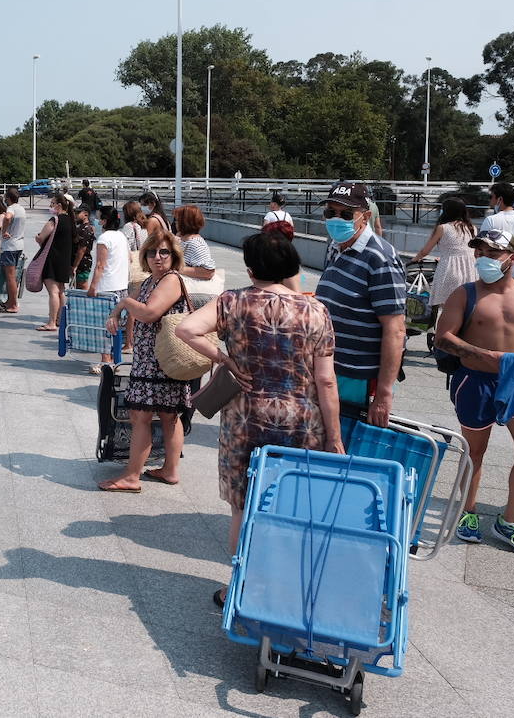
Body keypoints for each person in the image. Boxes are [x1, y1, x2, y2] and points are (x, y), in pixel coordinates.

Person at [175, 232, 342, 604]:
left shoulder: (232, 302)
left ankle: (240, 584)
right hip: (302, 420)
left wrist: (222, 357)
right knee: (291, 505)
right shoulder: (315, 311)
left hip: (245, 420)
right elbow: (326, 380)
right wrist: (334, 435)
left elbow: (186, 328)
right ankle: (284, 588)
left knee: (243, 505)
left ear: (250, 269)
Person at [435, 229, 514, 559]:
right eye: (480, 252)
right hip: (474, 381)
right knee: (474, 452)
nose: (482, 258)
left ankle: (510, 521)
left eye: (491, 253)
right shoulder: (465, 294)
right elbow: (442, 339)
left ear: (511, 259)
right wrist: (488, 357)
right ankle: (469, 511)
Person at [97, 229, 198, 491]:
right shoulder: (152, 280)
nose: (158, 256)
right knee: (168, 416)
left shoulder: (171, 280)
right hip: (152, 360)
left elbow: (150, 312)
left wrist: (123, 304)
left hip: (157, 363)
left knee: (141, 416)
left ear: (174, 255)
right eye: (152, 252)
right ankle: (170, 470)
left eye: (164, 251)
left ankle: (132, 476)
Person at [314, 182, 406, 426]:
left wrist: (384, 393)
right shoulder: (335, 247)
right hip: (329, 368)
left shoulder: (380, 258)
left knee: (345, 448)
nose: (336, 219)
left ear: (365, 216)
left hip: (358, 376)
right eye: (330, 213)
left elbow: (395, 330)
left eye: (345, 214)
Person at [411, 197, 478, 319]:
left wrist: (413, 261)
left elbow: (425, 251)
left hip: (450, 269)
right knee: (465, 307)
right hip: (470, 270)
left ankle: (446, 333)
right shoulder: (472, 228)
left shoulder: (443, 228)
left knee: (449, 309)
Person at [87, 206, 129, 374]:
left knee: (104, 326)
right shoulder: (121, 236)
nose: (96, 221)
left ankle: (105, 361)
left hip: (107, 287)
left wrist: (92, 287)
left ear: (104, 221)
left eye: (98, 218)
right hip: (121, 286)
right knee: (116, 326)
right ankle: (113, 359)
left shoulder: (104, 238)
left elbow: (100, 265)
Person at [35, 194, 76, 332]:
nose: (50, 206)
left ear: (59, 205)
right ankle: (60, 319)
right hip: (64, 261)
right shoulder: (70, 220)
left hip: (52, 259)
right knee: (61, 291)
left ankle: (51, 322)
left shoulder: (55, 220)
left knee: (53, 291)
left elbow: (41, 237)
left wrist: (38, 238)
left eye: (52, 203)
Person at [0, 187, 27, 314]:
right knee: (13, 276)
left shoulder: (11, 208)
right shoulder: (21, 209)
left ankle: (13, 304)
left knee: (10, 277)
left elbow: (7, 218)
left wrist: (4, 231)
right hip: (19, 244)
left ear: (8, 198)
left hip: (10, 246)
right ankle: (11, 301)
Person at [173, 205, 217, 282]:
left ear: (185, 222)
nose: (175, 223)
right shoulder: (182, 239)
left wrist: (176, 268)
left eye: (177, 220)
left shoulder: (196, 244)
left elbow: (208, 271)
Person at [71, 206, 95, 289]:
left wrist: (75, 266)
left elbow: (82, 249)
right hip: (81, 263)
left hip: (83, 263)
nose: (75, 215)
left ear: (86, 214)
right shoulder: (81, 227)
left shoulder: (86, 229)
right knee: (77, 288)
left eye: (78, 213)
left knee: (82, 288)